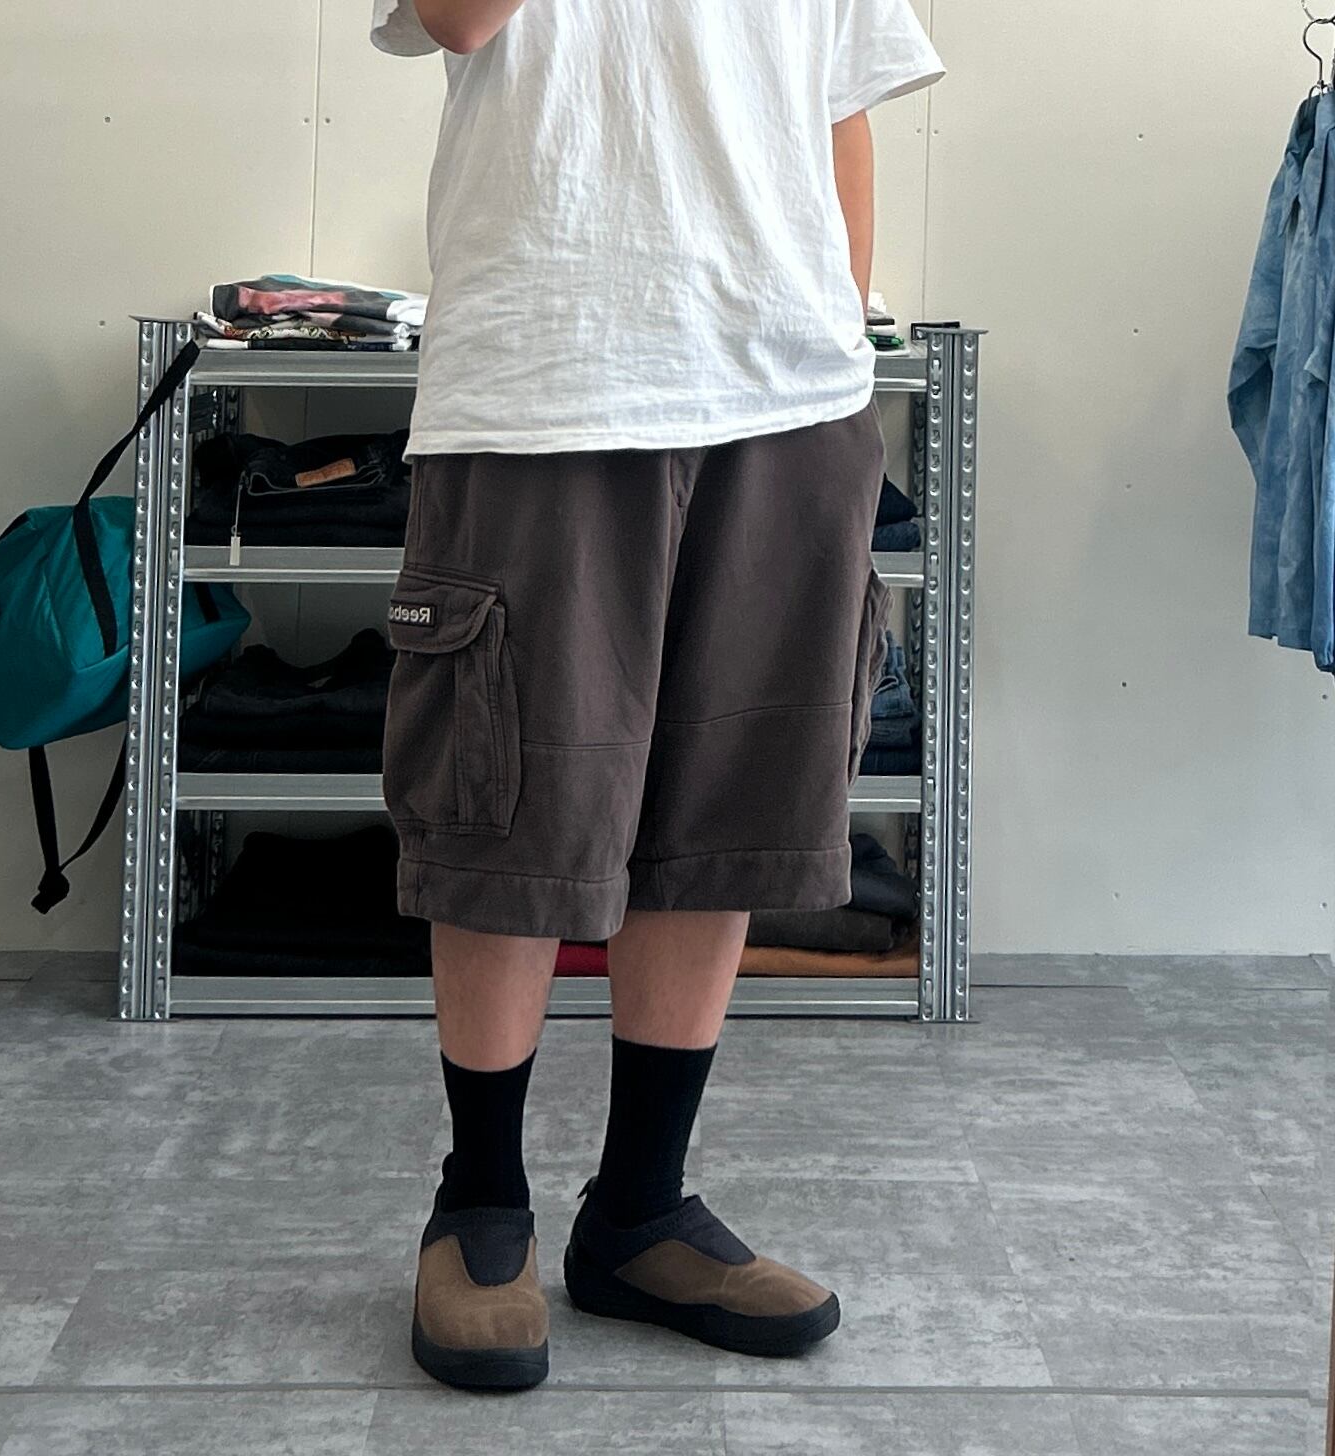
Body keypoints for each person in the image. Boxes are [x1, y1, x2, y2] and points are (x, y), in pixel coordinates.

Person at [371, 0, 943, 1393]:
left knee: (725, 803)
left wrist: (835, 345)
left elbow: (838, 104)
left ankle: (640, 1210)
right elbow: (457, 19)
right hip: (549, 371)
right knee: (514, 802)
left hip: (786, 388)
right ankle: (480, 1207)